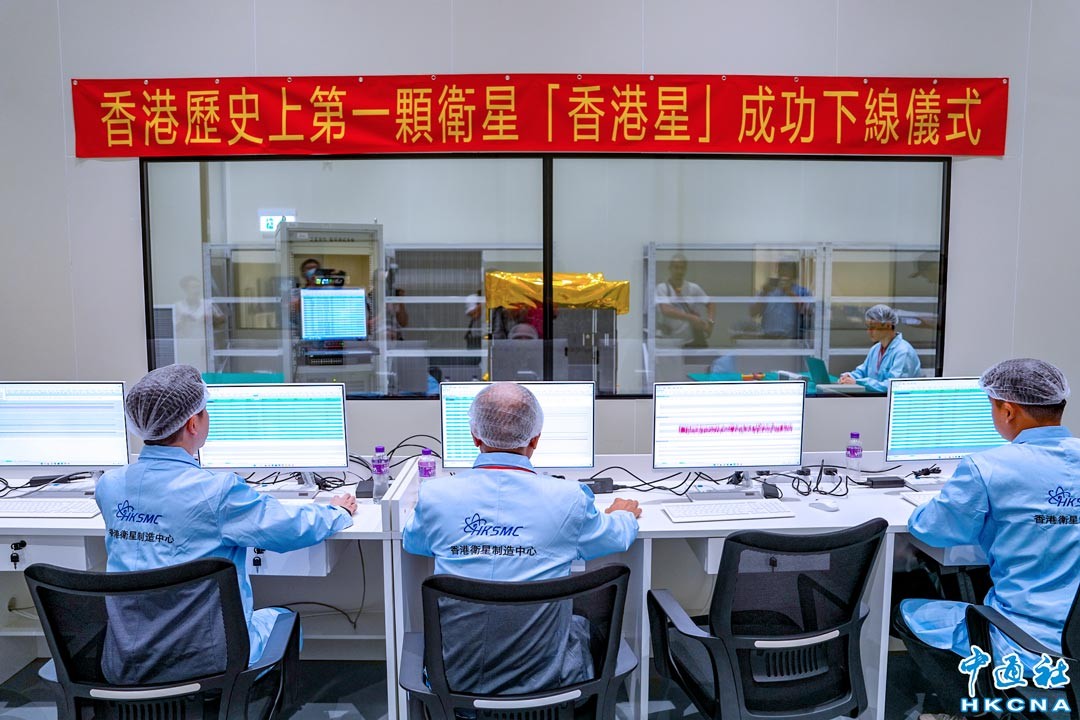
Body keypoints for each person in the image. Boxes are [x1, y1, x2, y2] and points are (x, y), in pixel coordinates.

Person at [95, 364, 357, 682]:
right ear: (193, 424)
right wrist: (336, 511)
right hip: (206, 659)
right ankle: (243, 699)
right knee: (285, 620)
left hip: (126, 661)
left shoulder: (109, 486)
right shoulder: (216, 492)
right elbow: (289, 529)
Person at [402, 383, 641, 695]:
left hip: (454, 688)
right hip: (550, 690)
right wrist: (623, 514)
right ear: (536, 439)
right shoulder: (569, 498)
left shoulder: (436, 496)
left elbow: (413, 543)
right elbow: (614, 538)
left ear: (475, 437)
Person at [894, 359, 1078, 717]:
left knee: (909, 612)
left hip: (1027, 641)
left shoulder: (989, 467)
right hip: (1075, 638)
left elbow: (931, 529)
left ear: (1008, 411)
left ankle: (976, 708)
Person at [839, 304, 921, 392]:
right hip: (878, 399)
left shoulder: (903, 351)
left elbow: (893, 386)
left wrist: (858, 382)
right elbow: (863, 371)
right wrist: (849, 377)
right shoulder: (875, 349)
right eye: (868, 327)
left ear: (888, 325)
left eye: (873, 327)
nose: (869, 331)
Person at [656, 253, 715, 347]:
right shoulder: (662, 288)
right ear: (670, 268)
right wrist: (692, 318)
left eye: (682, 268)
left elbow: (710, 303)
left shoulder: (693, 288)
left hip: (690, 341)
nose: (679, 271)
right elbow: (666, 310)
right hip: (669, 341)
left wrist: (710, 322)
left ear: (685, 269)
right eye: (676, 267)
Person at [750, 261, 811, 339]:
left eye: (788, 270)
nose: (784, 274)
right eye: (781, 270)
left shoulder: (801, 291)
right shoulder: (769, 289)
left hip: (791, 340)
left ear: (794, 274)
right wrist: (764, 292)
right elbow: (753, 313)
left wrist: (790, 293)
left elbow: (807, 313)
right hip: (767, 338)